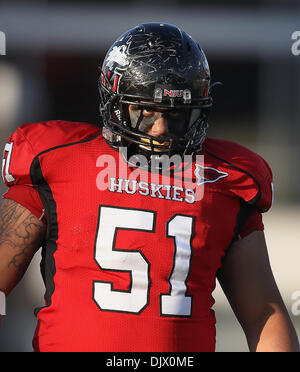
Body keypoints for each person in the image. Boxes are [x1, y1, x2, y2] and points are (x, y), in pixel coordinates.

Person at [0, 22, 299, 352]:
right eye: (145, 112)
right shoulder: (60, 161)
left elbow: (264, 316)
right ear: (114, 101)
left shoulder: (227, 180)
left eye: (176, 115)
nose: (160, 129)